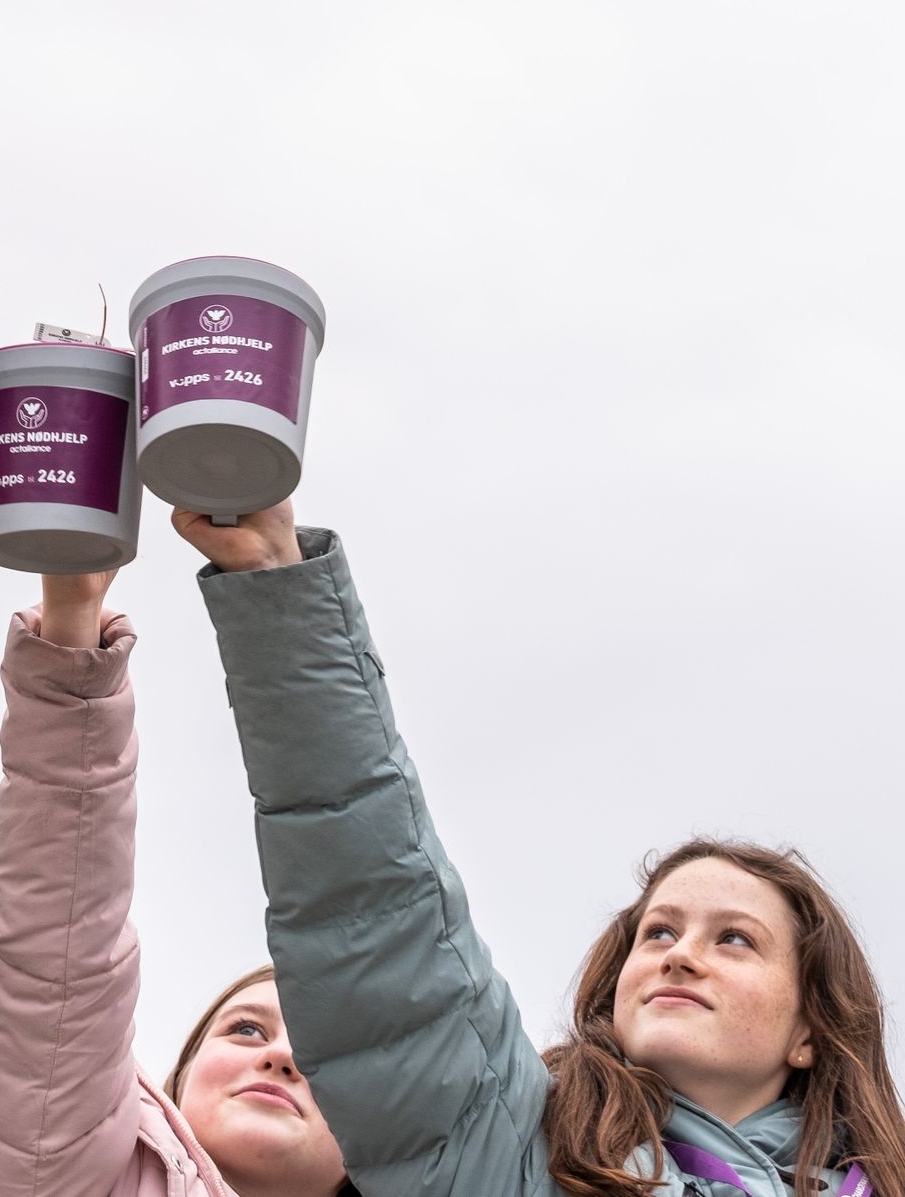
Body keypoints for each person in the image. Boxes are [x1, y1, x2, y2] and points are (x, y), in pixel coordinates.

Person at [184, 502, 905, 1197]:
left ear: (810, 1030)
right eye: (658, 930)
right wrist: (278, 583)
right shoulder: (513, 1154)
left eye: (735, 939)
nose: (680, 954)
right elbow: (378, 910)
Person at [0, 568, 353, 1197]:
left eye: (326, 1056)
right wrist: (73, 628)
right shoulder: (62, 1173)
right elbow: (58, 956)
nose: (281, 1058)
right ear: (176, 1083)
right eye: (245, 1029)